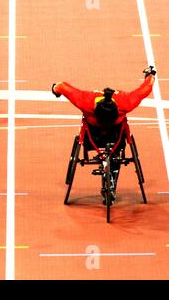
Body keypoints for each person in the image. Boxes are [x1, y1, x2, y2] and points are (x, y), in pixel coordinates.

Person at [52, 66, 157, 203]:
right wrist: (150, 75)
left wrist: (55, 90)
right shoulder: (126, 101)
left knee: (113, 138)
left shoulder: (85, 100)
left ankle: (110, 180)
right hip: (116, 139)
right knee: (117, 146)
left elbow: (62, 86)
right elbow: (145, 88)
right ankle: (112, 179)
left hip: (93, 138)